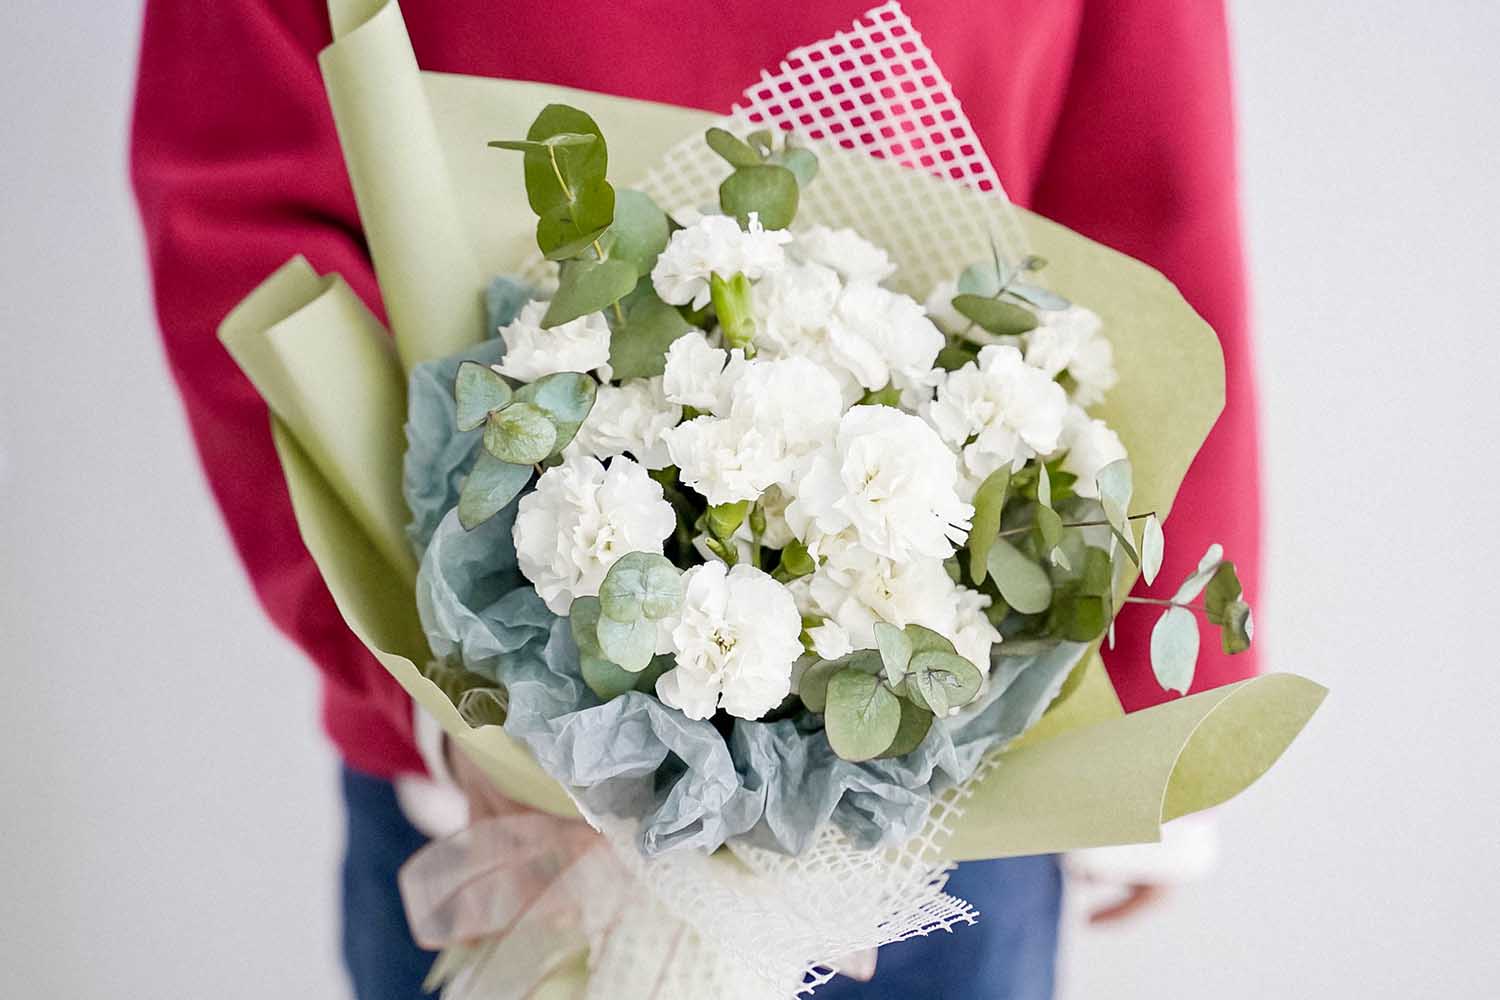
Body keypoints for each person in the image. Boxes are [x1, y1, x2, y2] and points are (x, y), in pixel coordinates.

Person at [130, 1, 1258, 996]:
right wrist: (442, 689)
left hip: (951, 780)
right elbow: (242, 192)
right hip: (494, 793)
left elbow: (1151, 179)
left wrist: (1154, 719)